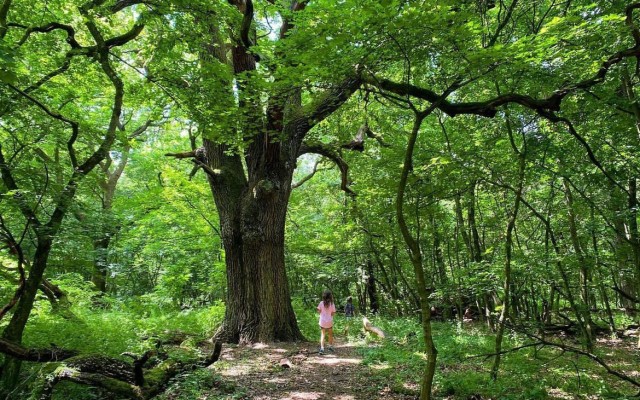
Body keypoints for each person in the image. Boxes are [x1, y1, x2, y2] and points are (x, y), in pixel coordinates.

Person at [317, 289, 336, 355]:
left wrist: (322, 313)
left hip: (322, 321)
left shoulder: (321, 303)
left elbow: (319, 311)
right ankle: (330, 346)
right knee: (330, 334)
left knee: (323, 334)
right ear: (330, 296)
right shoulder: (332, 304)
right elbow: (333, 313)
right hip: (329, 321)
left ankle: (322, 348)